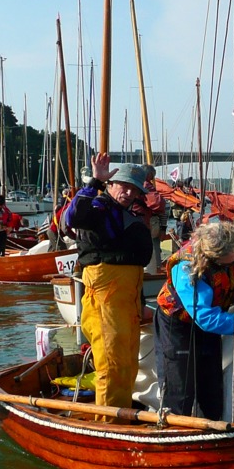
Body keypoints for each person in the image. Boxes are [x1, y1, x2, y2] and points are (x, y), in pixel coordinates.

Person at [154, 220, 234, 420]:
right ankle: (175, 432)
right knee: (179, 389)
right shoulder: (186, 268)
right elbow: (206, 318)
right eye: (232, 263)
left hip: (210, 323)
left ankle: (213, 427)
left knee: (211, 387)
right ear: (215, 260)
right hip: (178, 326)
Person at [64, 154, 154, 416]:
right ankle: (108, 422)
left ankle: (122, 414)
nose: (127, 193)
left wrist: (141, 304)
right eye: (123, 186)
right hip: (105, 294)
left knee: (128, 362)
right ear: (111, 185)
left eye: (133, 189)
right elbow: (74, 218)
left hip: (128, 297)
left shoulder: (127, 213)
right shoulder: (98, 207)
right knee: (111, 363)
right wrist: (94, 182)